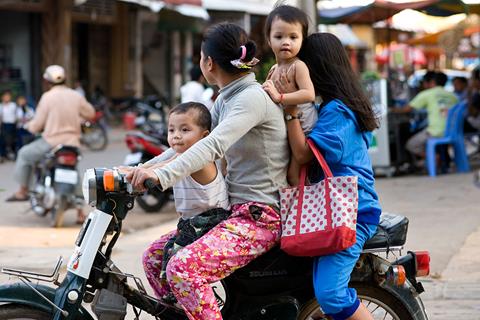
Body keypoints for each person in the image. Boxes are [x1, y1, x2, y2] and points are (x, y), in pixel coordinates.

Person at [127, 23, 289, 320]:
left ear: (208, 63)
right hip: (230, 214)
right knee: (153, 258)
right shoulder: (227, 97)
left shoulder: (250, 98)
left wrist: (162, 176)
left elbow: (211, 146)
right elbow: (187, 146)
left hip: (261, 216)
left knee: (182, 269)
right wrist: (138, 169)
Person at [280, 32, 381, 320]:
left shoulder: (338, 112)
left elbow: (302, 155)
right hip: (337, 210)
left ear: (315, 68)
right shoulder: (331, 107)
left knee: (332, 295)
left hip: (352, 212)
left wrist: (290, 109)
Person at [143, 101, 230, 300]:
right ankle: (174, 307)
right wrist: (130, 171)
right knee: (151, 257)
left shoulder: (200, 159)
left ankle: (189, 301)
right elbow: (160, 162)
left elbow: (167, 164)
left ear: (205, 136)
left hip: (211, 222)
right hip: (190, 224)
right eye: (171, 129)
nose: (176, 135)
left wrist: (146, 172)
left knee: (177, 263)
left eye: (185, 129)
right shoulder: (179, 155)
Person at [7, 65, 95, 223]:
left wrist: (29, 126)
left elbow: (37, 123)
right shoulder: (75, 96)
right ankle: (80, 212)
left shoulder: (47, 97)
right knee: (74, 171)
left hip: (51, 142)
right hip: (72, 143)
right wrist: (79, 120)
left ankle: (23, 190)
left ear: (46, 81)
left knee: (24, 154)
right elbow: (90, 113)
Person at [262, 5, 316, 185]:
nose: (286, 42)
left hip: (304, 126)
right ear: (269, 40)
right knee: (285, 174)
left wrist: (281, 97)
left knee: (294, 175)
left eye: (293, 37)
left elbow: (309, 94)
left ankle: (303, 209)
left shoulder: (298, 66)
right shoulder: (273, 69)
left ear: (302, 40)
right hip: (286, 126)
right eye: (279, 36)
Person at [394, 71, 458, 160]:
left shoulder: (427, 94)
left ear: (431, 82)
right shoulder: (453, 96)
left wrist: (391, 109)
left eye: (423, 82)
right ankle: (439, 159)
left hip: (436, 132)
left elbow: (407, 109)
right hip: (454, 131)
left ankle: (434, 158)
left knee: (411, 144)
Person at [0, 90, 18, 161]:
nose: (6, 98)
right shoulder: (1, 106)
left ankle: (13, 154)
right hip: (4, 125)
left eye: (8, 96)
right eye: (5, 96)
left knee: (13, 140)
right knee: (3, 140)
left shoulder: (13, 105)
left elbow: (16, 115)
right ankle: (3, 155)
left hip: (12, 125)